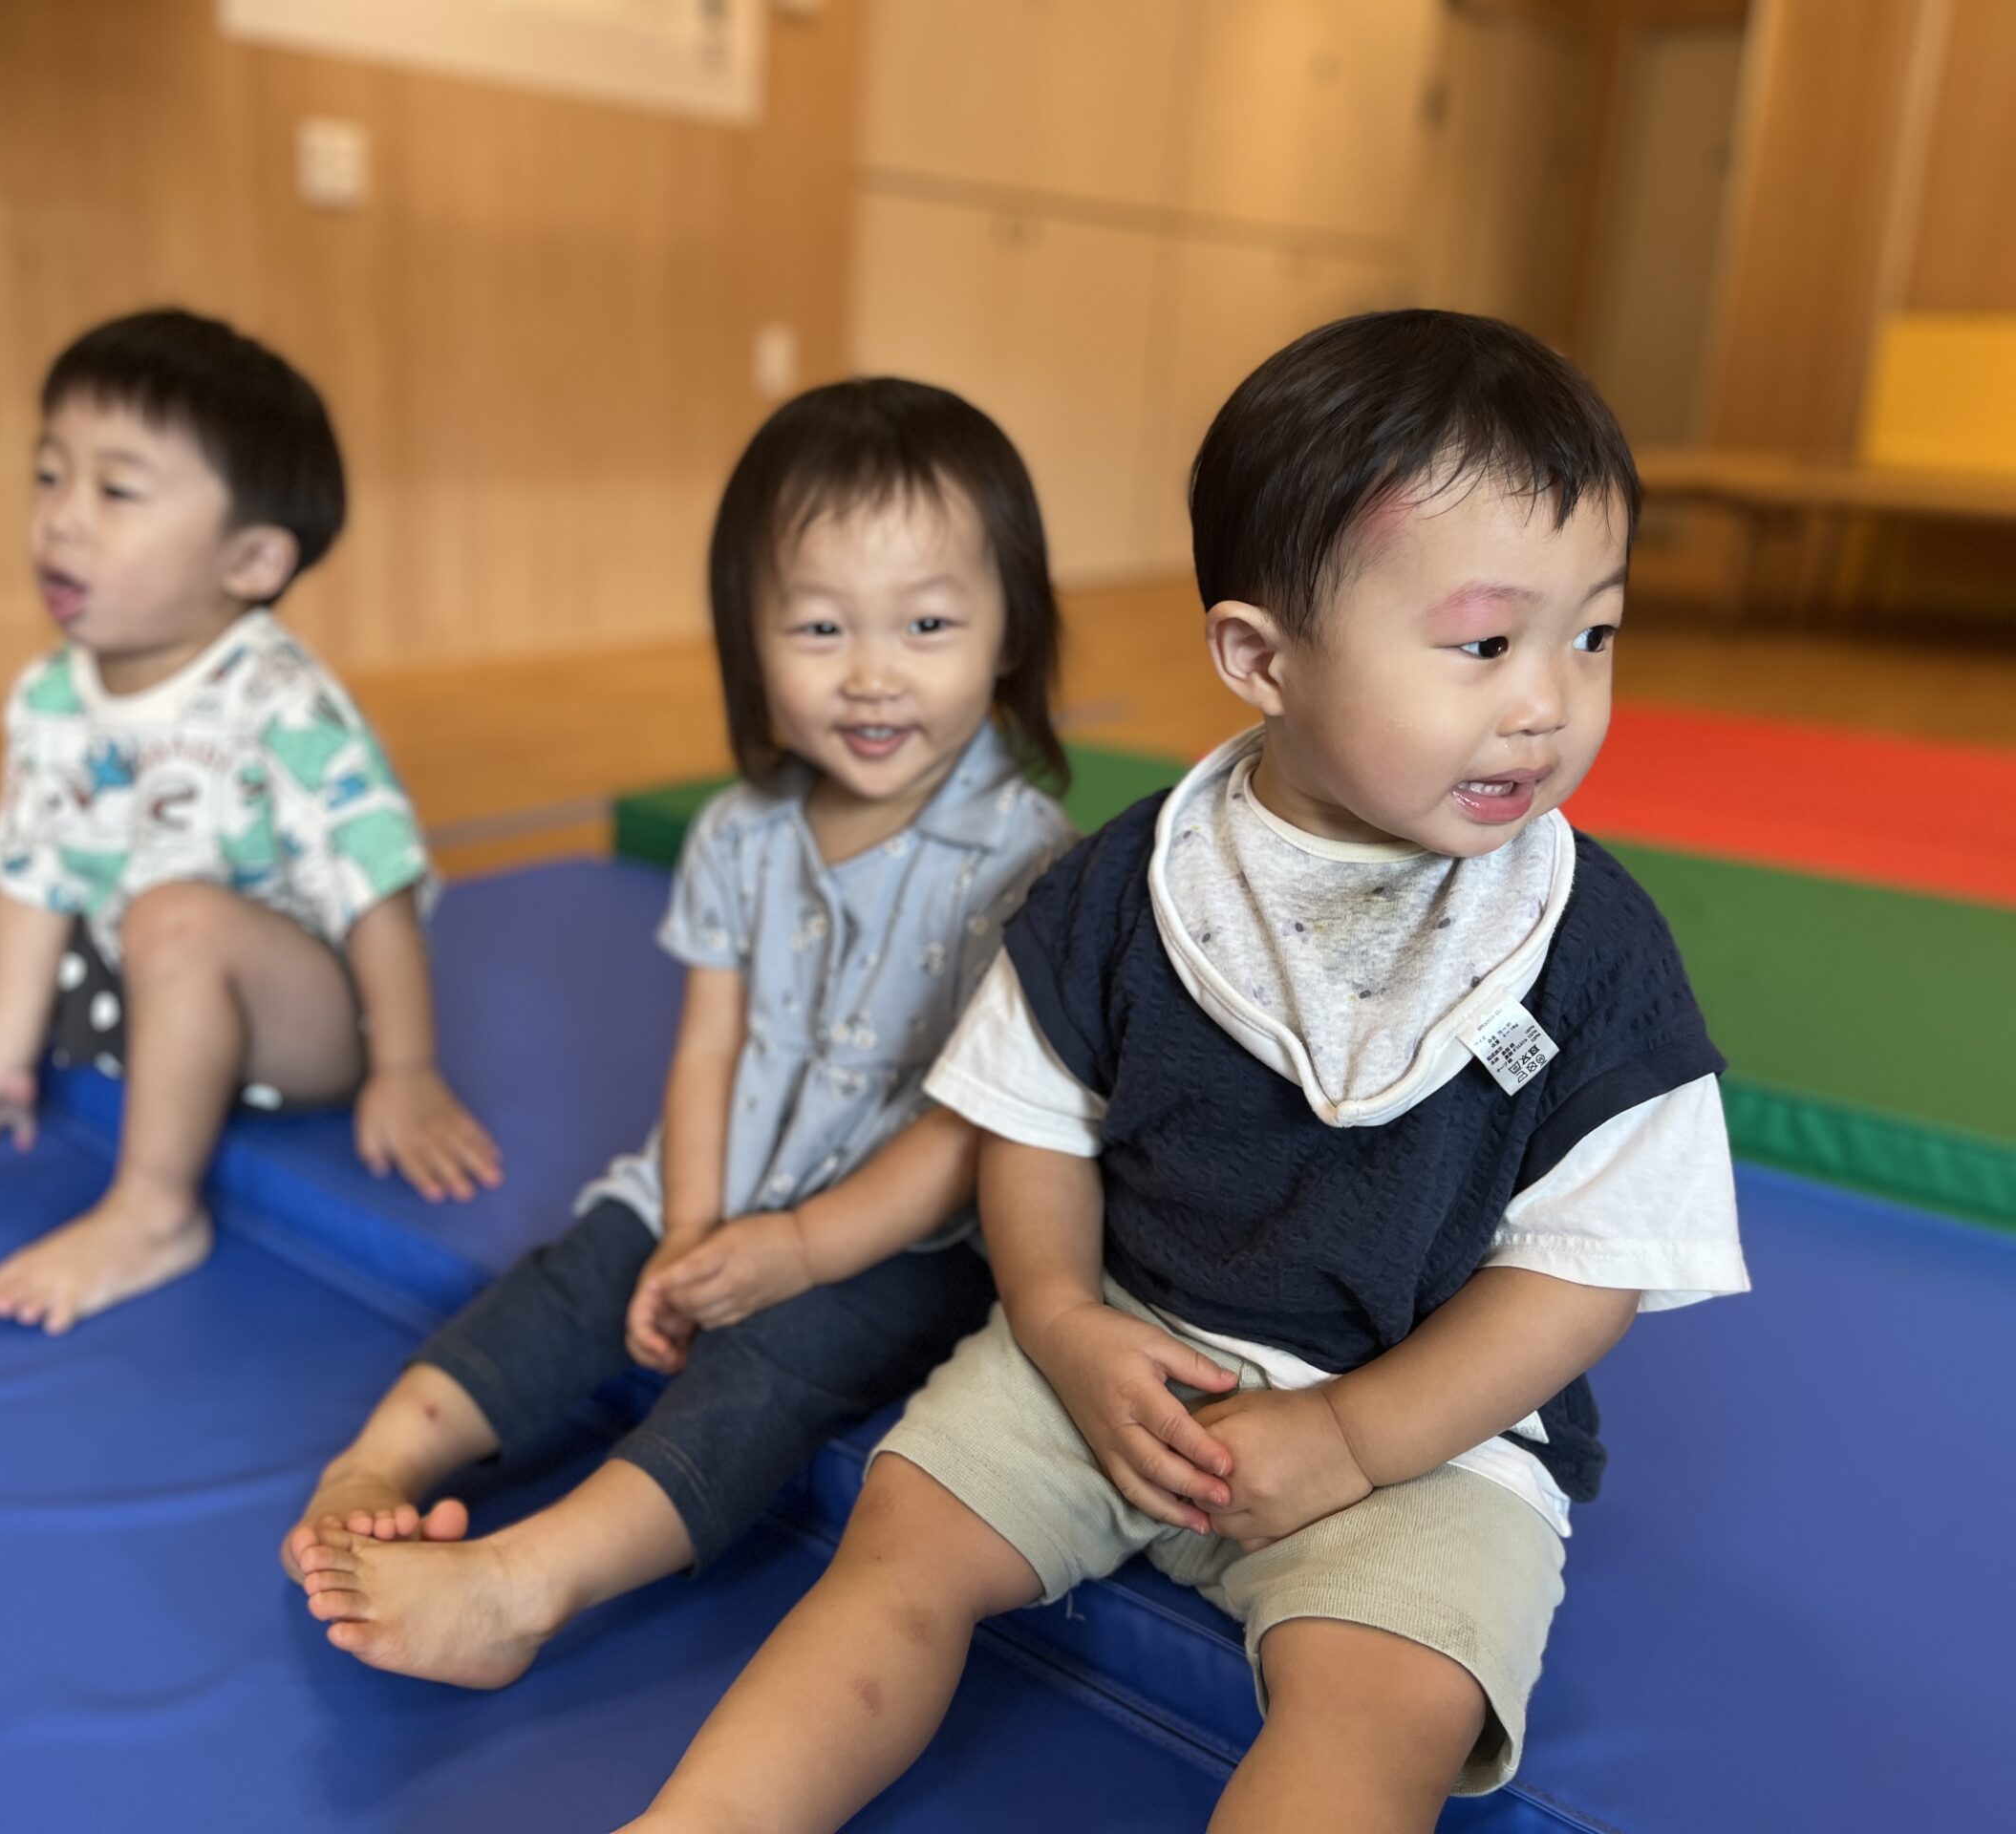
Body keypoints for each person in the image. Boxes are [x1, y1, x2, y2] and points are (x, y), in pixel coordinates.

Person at [624, 310, 1751, 1834]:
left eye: (1594, 633)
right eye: (1486, 642)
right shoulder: (1132, 882)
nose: (1546, 700)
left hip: (1424, 1437)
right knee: (900, 1551)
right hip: (1120, 1359)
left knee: (1382, 1716)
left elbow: (1584, 1274)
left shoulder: (1589, 948)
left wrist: (1355, 1438)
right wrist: (1063, 1320)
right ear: (1259, 657)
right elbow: (1035, 1127)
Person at [282, 377, 1077, 1690]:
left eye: (928, 623)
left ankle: (526, 1584)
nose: (873, 674)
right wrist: (696, 1228)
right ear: (749, 641)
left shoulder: (1027, 863)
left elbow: (972, 1131)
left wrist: (795, 1251)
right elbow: (709, 1048)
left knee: (765, 1373)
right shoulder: (739, 835)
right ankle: (378, 1462)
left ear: (1006, 635)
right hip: (713, 1190)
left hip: (896, 1238)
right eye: (820, 627)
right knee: (577, 1277)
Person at [0, 308, 501, 1333]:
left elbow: (379, 890)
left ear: (253, 562)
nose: (61, 518)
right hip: (138, 988)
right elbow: (37, 868)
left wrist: (405, 1072)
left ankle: (154, 1210)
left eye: (117, 489)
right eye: (49, 475)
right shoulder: (53, 693)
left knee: (176, 918)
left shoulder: (283, 704)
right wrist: (4, 1056)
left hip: (297, 1022)